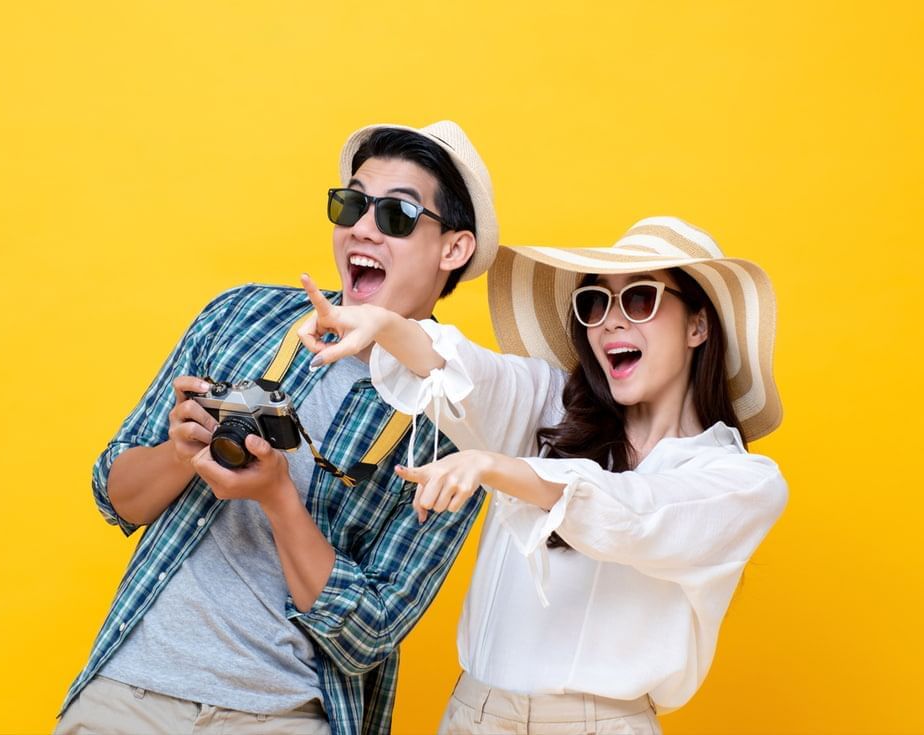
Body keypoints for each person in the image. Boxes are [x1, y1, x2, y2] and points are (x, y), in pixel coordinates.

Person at [54, 120, 499, 735]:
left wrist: (279, 498)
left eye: (396, 214)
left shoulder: (457, 418)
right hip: (129, 693)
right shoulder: (244, 315)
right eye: (351, 203)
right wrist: (179, 452)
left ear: (453, 249)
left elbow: (371, 633)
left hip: (282, 714)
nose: (362, 228)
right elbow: (115, 496)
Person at [298, 216, 788, 734]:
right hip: (476, 715)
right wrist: (385, 325)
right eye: (595, 304)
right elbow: (470, 374)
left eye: (640, 299)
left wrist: (497, 466)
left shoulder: (741, 481)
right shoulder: (549, 406)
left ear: (697, 325)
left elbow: (638, 511)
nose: (610, 323)